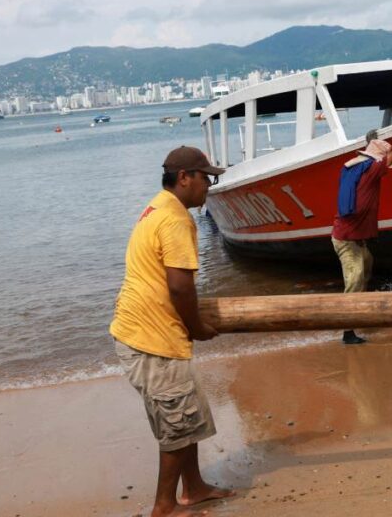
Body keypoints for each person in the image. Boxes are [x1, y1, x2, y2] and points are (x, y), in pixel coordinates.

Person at [110, 146, 235, 517]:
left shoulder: (156, 207)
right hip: (152, 339)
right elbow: (180, 286)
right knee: (177, 423)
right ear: (184, 178)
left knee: (187, 413)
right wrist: (197, 327)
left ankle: (193, 488)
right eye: (206, 178)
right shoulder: (176, 218)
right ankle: (164, 506)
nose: (209, 186)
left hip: (143, 331)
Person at [332, 111, 392, 344]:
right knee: (355, 278)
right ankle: (347, 332)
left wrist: (369, 143)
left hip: (355, 239)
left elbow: (374, 157)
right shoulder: (372, 171)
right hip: (347, 241)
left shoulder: (353, 169)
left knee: (367, 267)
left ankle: (360, 312)